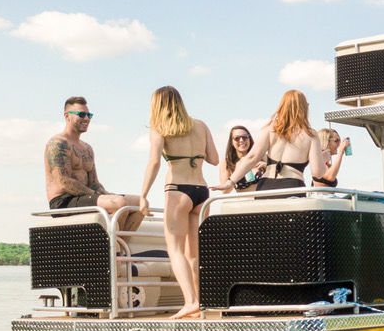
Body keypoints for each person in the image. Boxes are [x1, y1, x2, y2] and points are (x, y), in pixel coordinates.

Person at [138, 86, 218, 319]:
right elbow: (213, 159)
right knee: (194, 253)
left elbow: (154, 162)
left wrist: (143, 195)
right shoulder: (201, 125)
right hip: (201, 192)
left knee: (174, 249)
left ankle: (190, 301)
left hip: (177, 190)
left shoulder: (160, 128)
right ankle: (200, 303)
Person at [44, 96, 143, 231]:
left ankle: (118, 250)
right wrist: (98, 196)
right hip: (64, 201)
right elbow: (63, 181)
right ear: (67, 116)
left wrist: (108, 195)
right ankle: (110, 248)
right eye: (81, 114)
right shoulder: (58, 143)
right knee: (119, 203)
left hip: (86, 197)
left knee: (140, 203)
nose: (86, 119)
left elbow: (94, 183)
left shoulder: (87, 148)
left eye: (89, 115)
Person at [214, 89, 325, 193]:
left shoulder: (270, 129)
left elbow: (252, 157)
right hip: (293, 186)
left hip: (266, 188)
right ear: (304, 107)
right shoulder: (310, 135)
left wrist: (230, 182)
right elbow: (318, 173)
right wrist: (323, 158)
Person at [218, 125, 266, 193]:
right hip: (243, 201)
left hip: (265, 200)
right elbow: (225, 191)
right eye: (237, 138)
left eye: (245, 137)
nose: (241, 140)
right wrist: (236, 174)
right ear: (231, 142)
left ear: (249, 139)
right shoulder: (227, 162)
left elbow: (278, 175)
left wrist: (267, 166)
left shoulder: (261, 156)